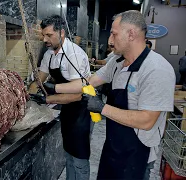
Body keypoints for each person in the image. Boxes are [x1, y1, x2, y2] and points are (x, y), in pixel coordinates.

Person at [44, 10, 175, 180]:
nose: (110, 41)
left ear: (131, 34)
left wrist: (102, 108)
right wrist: (56, 88)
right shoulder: (116, 62)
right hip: (113, 146)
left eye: (114, 34)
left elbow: (147, 120)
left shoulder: (156, 69)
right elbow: (88, 81)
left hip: (137, 155)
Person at [28, 15, 91, 180]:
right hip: (66, 110)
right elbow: (40, 78)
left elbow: (77, 94)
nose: (44, 39)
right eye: (43, 35)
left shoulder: (75, 54)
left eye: (49, 35)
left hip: (81, 111)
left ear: (62, 33)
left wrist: (48, 98)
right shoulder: (49, 54)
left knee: (79, 159)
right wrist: (28, 94)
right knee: (69, 156)